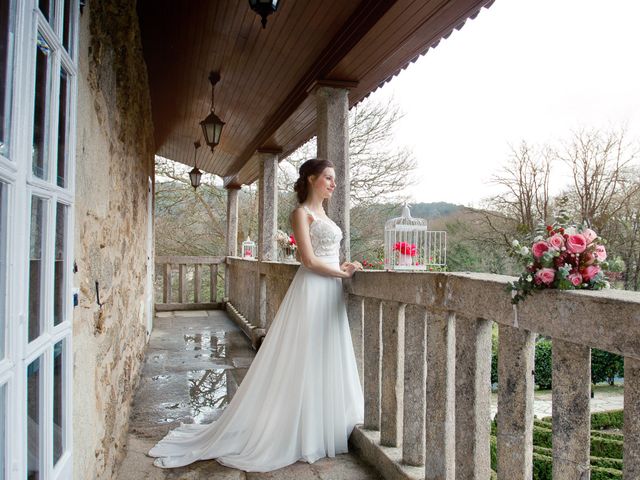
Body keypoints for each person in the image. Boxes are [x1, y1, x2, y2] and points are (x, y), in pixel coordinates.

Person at [148, 158, 364, 472]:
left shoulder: (325, 214)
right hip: (313, 289)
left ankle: (320, 425)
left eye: (334, 178)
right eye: (328, 178)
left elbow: (328, 256)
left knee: (324, 354)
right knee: (303, 356)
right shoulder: (300, 213)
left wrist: (342, 268)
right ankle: (298, 431)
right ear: (312, 179)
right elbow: (308, 260)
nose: (333, 183)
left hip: (330, 288)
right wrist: (340, 274)